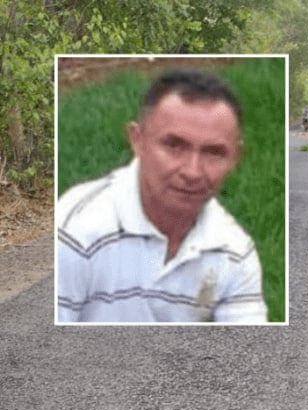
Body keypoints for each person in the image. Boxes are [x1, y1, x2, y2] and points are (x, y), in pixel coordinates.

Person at [56, 68, 268, 324]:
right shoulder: (78, 230)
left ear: (235, 157)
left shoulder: (234, 252)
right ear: (138, 141)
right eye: (174, 146)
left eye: (213, 152)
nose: (192, 171)